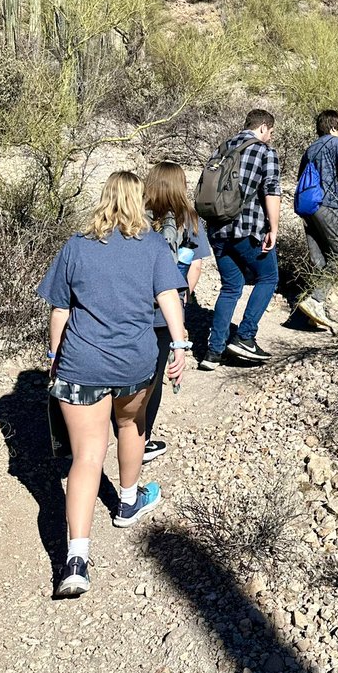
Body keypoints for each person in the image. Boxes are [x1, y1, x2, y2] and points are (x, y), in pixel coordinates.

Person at [37, 171, 187, 599]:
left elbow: (59, 313)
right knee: (130, 425)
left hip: (81, 364)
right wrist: (179, 346)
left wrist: (53, 358)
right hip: (134, 363)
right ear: (139, 201)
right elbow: (169, 299)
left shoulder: (77, 246)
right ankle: (127, 501)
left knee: (85, 456)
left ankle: (76, 560)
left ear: (103, 199)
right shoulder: (155, 246)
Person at [201, 108, 281, 369]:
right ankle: (245, 336)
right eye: (270, 132)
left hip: (216, 229)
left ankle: (214, 353)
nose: (270, 137)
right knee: (269, 277)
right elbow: (271, 190)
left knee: (231, 286)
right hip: (246, 229)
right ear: (262, 128)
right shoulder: (264, 151)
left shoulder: (222, 149)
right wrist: (274, 228)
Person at [142, 160, 211, 462]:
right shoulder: (190, 219)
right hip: (165, 309)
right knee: (154, 376)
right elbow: (195, 264)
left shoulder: (136, 216)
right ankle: (140, 440)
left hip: (133, 304)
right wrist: (182, 299)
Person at [295, 109, 338, 329]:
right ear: (334, 127)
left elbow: (300, 180)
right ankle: (315, 301)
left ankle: (314, 312)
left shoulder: (310, 149)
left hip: (307, 208)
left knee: (321, 260)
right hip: (329, 205)